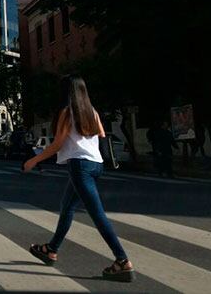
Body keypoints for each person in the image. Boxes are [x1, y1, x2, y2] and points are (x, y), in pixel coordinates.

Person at [23, 76, 135, 282]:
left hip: (80, 166)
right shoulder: (92, 112)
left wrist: (34, 160)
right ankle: (51, 249)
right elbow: (102, 135)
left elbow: (57, 144)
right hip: (96, 165)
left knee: (97, 214)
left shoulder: (67, 112)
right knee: (67, 207)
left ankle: (122, 260)